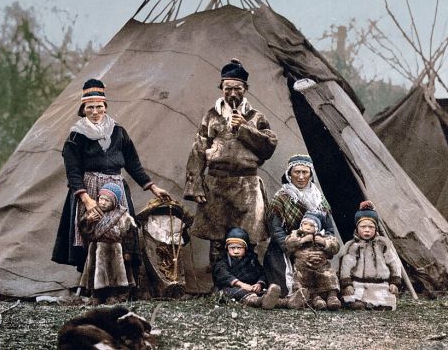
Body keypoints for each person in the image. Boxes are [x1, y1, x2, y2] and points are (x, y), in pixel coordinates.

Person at [52, 78, 170, 279]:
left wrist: (152, 188)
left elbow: (133, 163)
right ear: (83, 109)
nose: (95, 111)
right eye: (90, 107)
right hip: (89, 190)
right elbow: (73, 171)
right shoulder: (76, 136)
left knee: (122, 233)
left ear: (105, 107)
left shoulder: (119, 132)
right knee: (91, 234)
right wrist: (87, 200)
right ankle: (92, 284)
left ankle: (121, 282)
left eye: (99, 106)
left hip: (116, 190)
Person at [183, 59, 278, 266]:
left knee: (247, 237)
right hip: (216, 183)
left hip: (247, 185)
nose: (232, 94)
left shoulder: (256, 117)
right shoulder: (211, 116)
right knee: (217, 238)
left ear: (246, 89)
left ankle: (248, 281)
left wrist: (245, 128)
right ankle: (221, 284)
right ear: (221, 88)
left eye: (237, 88)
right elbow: (198, 150)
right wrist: (196, 185)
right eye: (228, 89)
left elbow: (268, 147)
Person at [264, 154, 336, 296]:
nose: (301, 177)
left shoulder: (319, 199)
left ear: (311, 174)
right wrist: (295, 249)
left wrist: (322, 246)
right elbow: (275, 229)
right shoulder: (281, 197)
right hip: (285, 248)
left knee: (323, 282)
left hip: (313, 247)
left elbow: (329, 229)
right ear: (289, 174)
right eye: (297, 172)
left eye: (305, 172)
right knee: (285, 288)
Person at [78, 183, 137, 304]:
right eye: (101, 199)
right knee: (95, 273)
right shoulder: (92, 213)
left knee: (115, 274)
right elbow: (84, 232)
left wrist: (128, 252)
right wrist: (88, 221)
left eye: (107, 200)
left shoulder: (122, 215)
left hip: (115, 250)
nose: (103, 203)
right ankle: (97, 295)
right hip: (96, 248)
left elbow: (129, 236)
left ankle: (114, 295)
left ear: (115, 203)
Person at [339, 201, 403, 311]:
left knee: (385, 303)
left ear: (376, 228)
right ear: (357, 228)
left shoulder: (383, 244)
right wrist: (347, 284)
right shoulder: (353, 246)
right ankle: (359, 303)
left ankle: (378, 303)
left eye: (371, 227)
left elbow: (394, 263)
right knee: (354, 302)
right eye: (363, 227)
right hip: (358, 284)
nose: (367, 230)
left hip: (380, 284)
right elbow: (346, 266)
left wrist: (394, 282)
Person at [212, 227, 282, 309]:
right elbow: (223, 275)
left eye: (239, 248)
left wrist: (259, 284)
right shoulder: (222, 261)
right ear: (227, 248)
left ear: (245, 248)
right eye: (232, 248)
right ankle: (259, 301)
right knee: (235, 292)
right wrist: (242, 285)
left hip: (250, 287)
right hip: (231, 288)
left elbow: (261, 273)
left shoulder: (251, 259)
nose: (236, 251)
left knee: (266, 292)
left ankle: (286, 302)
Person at [284, 211, 341, 310]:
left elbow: (335, 247)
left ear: (317, 228)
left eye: (311, 225)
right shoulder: (296, 235)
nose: (307, 227)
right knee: (305, 280)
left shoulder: (323, 236)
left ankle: (332, 296)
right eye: (305, 224)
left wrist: (324, 242)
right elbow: (288, 244)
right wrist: (302, 240)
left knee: (329, 275)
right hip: (304, 267)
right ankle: (315, 299)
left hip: (322, 266)